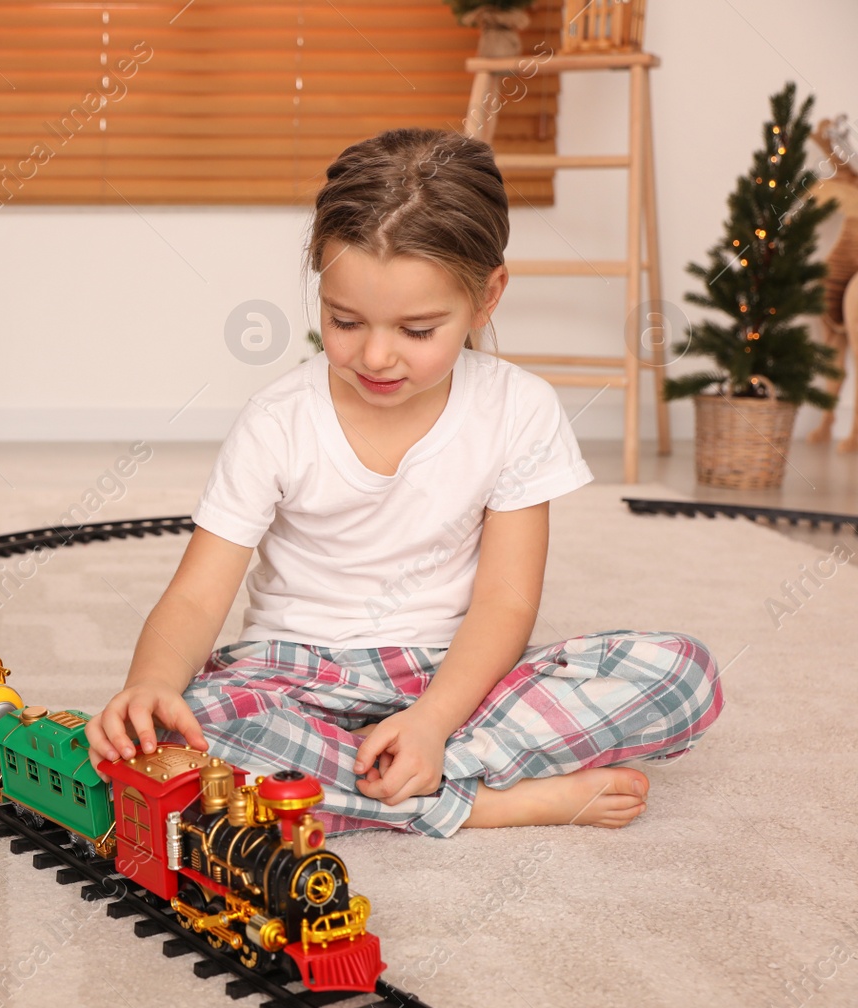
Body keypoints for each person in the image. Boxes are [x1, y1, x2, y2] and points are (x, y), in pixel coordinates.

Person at [84, 127, 724, 838]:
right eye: (345, 320)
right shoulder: (277, 420)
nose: (377, 355)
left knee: (681, 673)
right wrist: (150, 684)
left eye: (418, 330)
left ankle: (409, 769)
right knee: (189, 733)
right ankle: (484, 802)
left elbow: (506, 602)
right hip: (292, 675)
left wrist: (430, 721)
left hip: (452, 678)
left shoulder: (519, 408)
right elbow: (199, 594)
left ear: (488, 297)